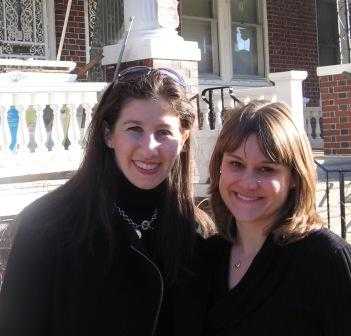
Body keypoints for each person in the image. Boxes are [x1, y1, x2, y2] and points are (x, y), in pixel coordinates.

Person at [0, 66, 212, 336]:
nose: (149, 148)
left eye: (164, 132)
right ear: (108, 134)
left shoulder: (196, 234)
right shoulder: (47, 226)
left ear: (183, 138)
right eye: (134, 128)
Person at [205, 100, 351, 335]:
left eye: (266, 169)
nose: (248, 183)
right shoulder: (207, 256)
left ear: (294, 177)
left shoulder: (325, 259)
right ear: (219, 168)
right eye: (236, 164)